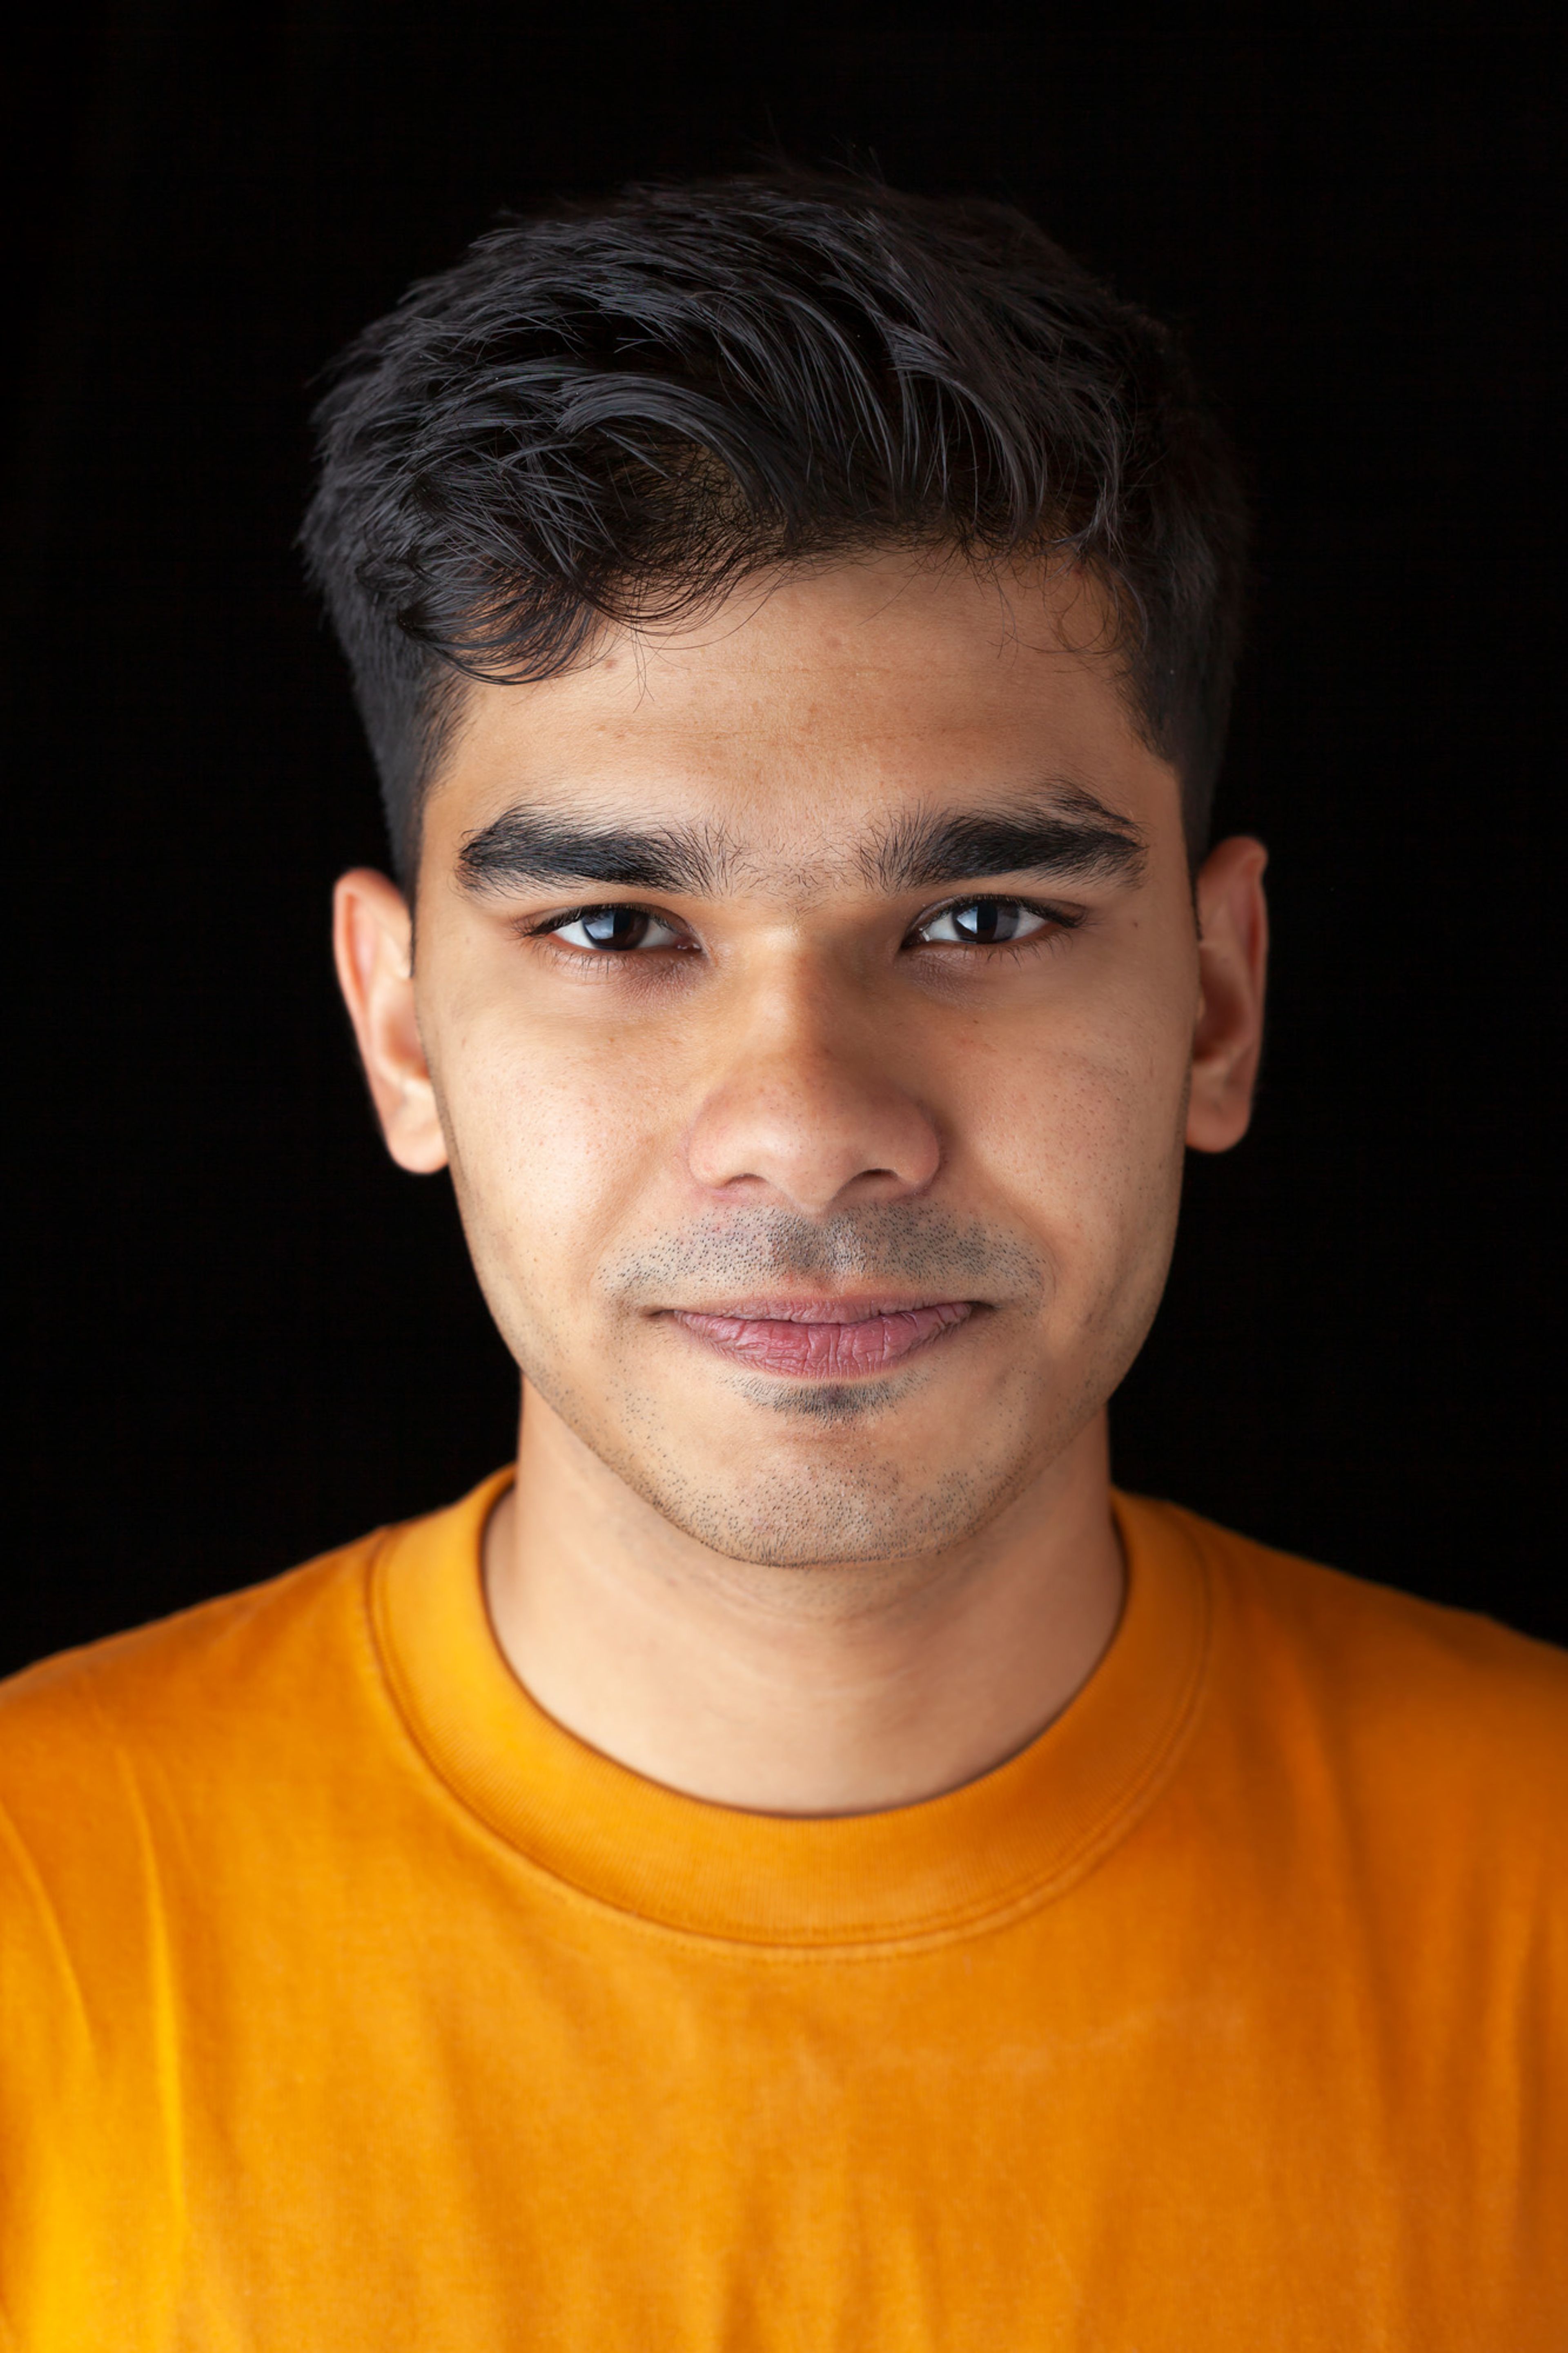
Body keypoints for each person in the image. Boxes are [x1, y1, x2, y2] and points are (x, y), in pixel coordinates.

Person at [2, 173, 1563, 2351]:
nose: (811, 1116)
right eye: (619, 931)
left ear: (1218, 1001)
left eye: (985, 919)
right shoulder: (35, 1921)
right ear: (400, 1029)